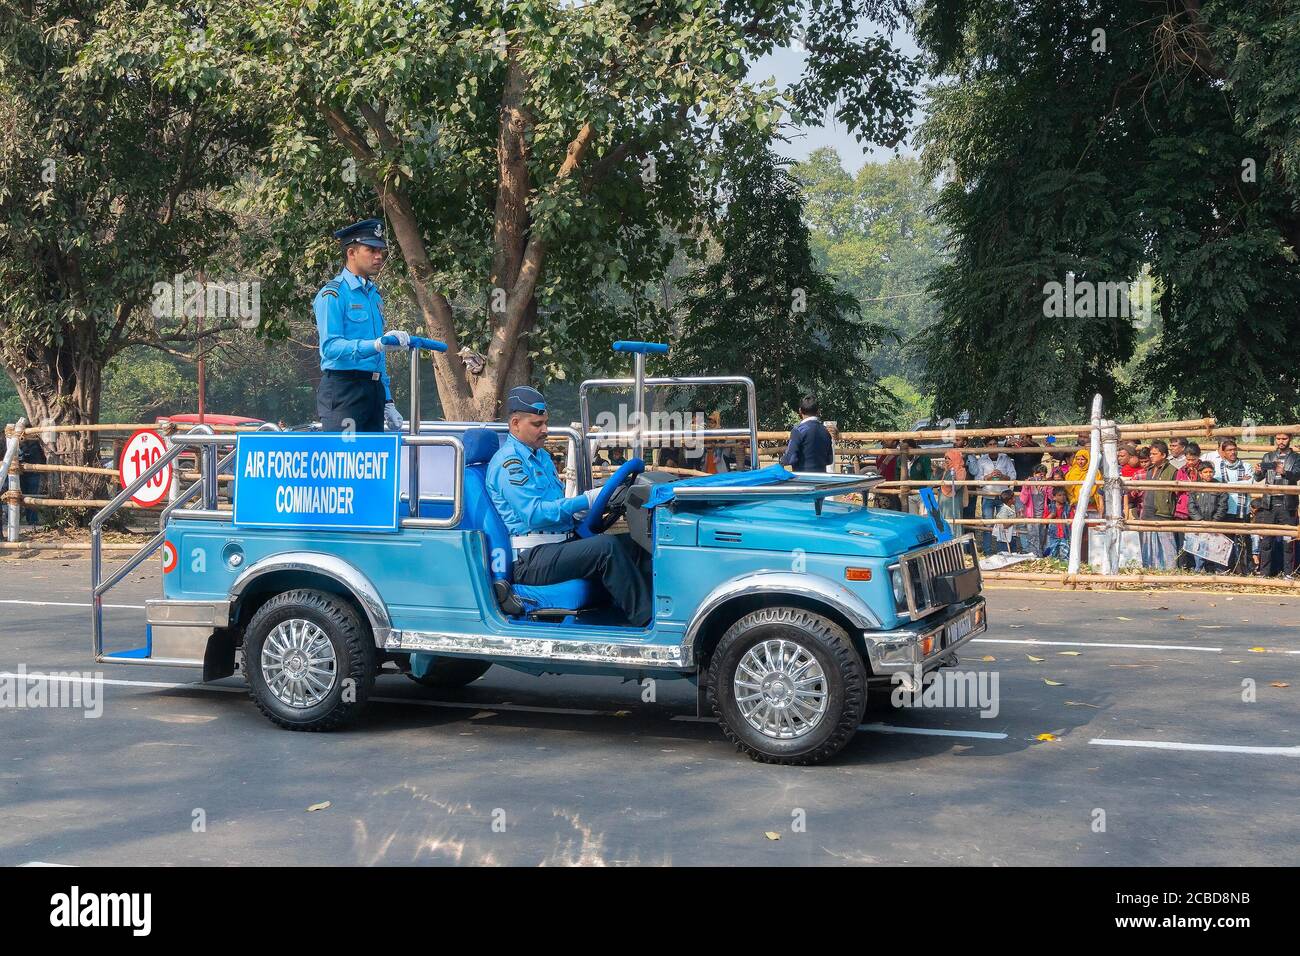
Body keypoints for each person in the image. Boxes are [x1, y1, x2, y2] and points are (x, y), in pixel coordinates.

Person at [487, 385, 652, 626]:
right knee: (606, 548)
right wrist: (585, 501)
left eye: (546, 422)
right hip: (531, 558)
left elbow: (557, 505)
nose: (545, 429)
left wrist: (586, 508)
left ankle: (652, 615)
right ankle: (647, 625)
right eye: (537, 424)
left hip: (559, 544)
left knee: (636, 542)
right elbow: (534, 515)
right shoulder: (508, 462)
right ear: (514, 424)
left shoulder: (540, 456)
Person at [314, 218, 411, 432]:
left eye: (381, 251)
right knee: (344, 462)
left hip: (373, 389)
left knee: (373, 463)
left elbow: (379, 356)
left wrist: (387, 400)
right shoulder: (334, 294)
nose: (379, 257)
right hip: (344, 390)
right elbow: (330, 348)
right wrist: (373, 344)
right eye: (371, 250)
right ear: (351, 253)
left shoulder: (374, 295)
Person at [1252, 432, 1300, 577]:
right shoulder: (1268, 456)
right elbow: (1259, 477)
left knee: (1288, 541)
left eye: (1284, 438)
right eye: (1278, 438)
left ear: (1290, 439)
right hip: (1269, 503)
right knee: (1266, 541)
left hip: (1288, 503)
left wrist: (1284, 472)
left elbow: (1298, 475)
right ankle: (1264, 573)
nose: (1281, 441)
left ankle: (1288, 574)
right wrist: (1258, 471)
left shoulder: (1297, 457)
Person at [1211, 439, 1254, 574]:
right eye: (1229, 450)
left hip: (1242, 510)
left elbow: (1250, 483)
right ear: (1223, 452)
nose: (1233, 452)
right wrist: (1240, 482)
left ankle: (1244, 570)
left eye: (1234, 449)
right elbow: (1218, 485)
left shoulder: (1246, 466)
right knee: (1225, 541)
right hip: (1226, 509)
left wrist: (1228, 484)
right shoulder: (1217, 467)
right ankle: (1226, 569)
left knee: (1244, 541)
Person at [970, 442, 1016, 555]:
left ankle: (1004, 551)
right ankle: (987, 551)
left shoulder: (1005, 458)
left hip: (1003, 496)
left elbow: (1013, 475)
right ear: (986, 446)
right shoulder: (982, 460)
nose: (993, 446)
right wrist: (988, 477)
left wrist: (1003, 476)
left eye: (995, 444)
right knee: (988, 525)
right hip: (987, 496)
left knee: (1004, 524)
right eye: (989, 444)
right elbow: (978, 481)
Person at [1140, 440, 1179, 570]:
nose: (1151, 456)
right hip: (1148, 510)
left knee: (1167, 544)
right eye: (1151, 454)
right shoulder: (1149, 470)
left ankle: (1170, 571)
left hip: (1163, 511)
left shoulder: (1173, 470)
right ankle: (1150, 569)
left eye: (1154, 454)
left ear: (1163, 455)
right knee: (1148, 544)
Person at [1186, 463, 1228, 572]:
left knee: (1215, 548)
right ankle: (1198, 570)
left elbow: (1222, 506)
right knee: (1199, 547)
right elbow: (1191, 506)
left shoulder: (1219, 486)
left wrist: (1215, 521)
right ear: (1200, 473)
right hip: (1200, 523)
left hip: (1215, 523)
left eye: (1210, 472)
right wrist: (1199, 520)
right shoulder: (1195, 487)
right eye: (1205, 472)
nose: (1208, 474)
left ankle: (1216, 572)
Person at [781, 396, 834, 473]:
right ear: (818, 411)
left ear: (800, 411)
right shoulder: (825, 431)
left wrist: (782, 461)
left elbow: (790, 458)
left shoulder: (798, 431)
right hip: (822, 479)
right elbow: (829, 460)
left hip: (803, 479)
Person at [1018, 463, 1051, 556]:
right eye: (1038, 473)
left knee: (1041, 536)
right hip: (1031, 515)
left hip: (1043, 514)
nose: (1041, 476)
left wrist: (1047, 486)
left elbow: (1052, 497)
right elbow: (1023, 500)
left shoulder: (1046, 485)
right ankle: (1033, 555)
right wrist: (1026, 487)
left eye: (1043, 474)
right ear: (1034, 474)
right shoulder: (1029, 484)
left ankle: (1040, 555)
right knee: (1032, 537)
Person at [936, 449, 968, 534]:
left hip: (954, 503)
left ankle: (956, 545)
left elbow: (957, 486)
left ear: (955, 458)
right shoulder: (946, 470)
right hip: (943, 503)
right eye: (945, 458)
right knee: (943, 523)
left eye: (949, 458)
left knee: (954, 525)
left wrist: (950, 473)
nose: (946, 460)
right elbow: (936, 483)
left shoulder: (960, 471)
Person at [1043, 487, 1074, 561]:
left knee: (1065, 556)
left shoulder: (1069, 508)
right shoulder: (1050, 507)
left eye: (1064, 495)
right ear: (1054, 497)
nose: (1062, 497)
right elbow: (1044, 521)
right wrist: (1052, 515)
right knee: (1052, 556)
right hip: (1053, 535)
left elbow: (1072, 522)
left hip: (1065, 535)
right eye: (1059, 495)